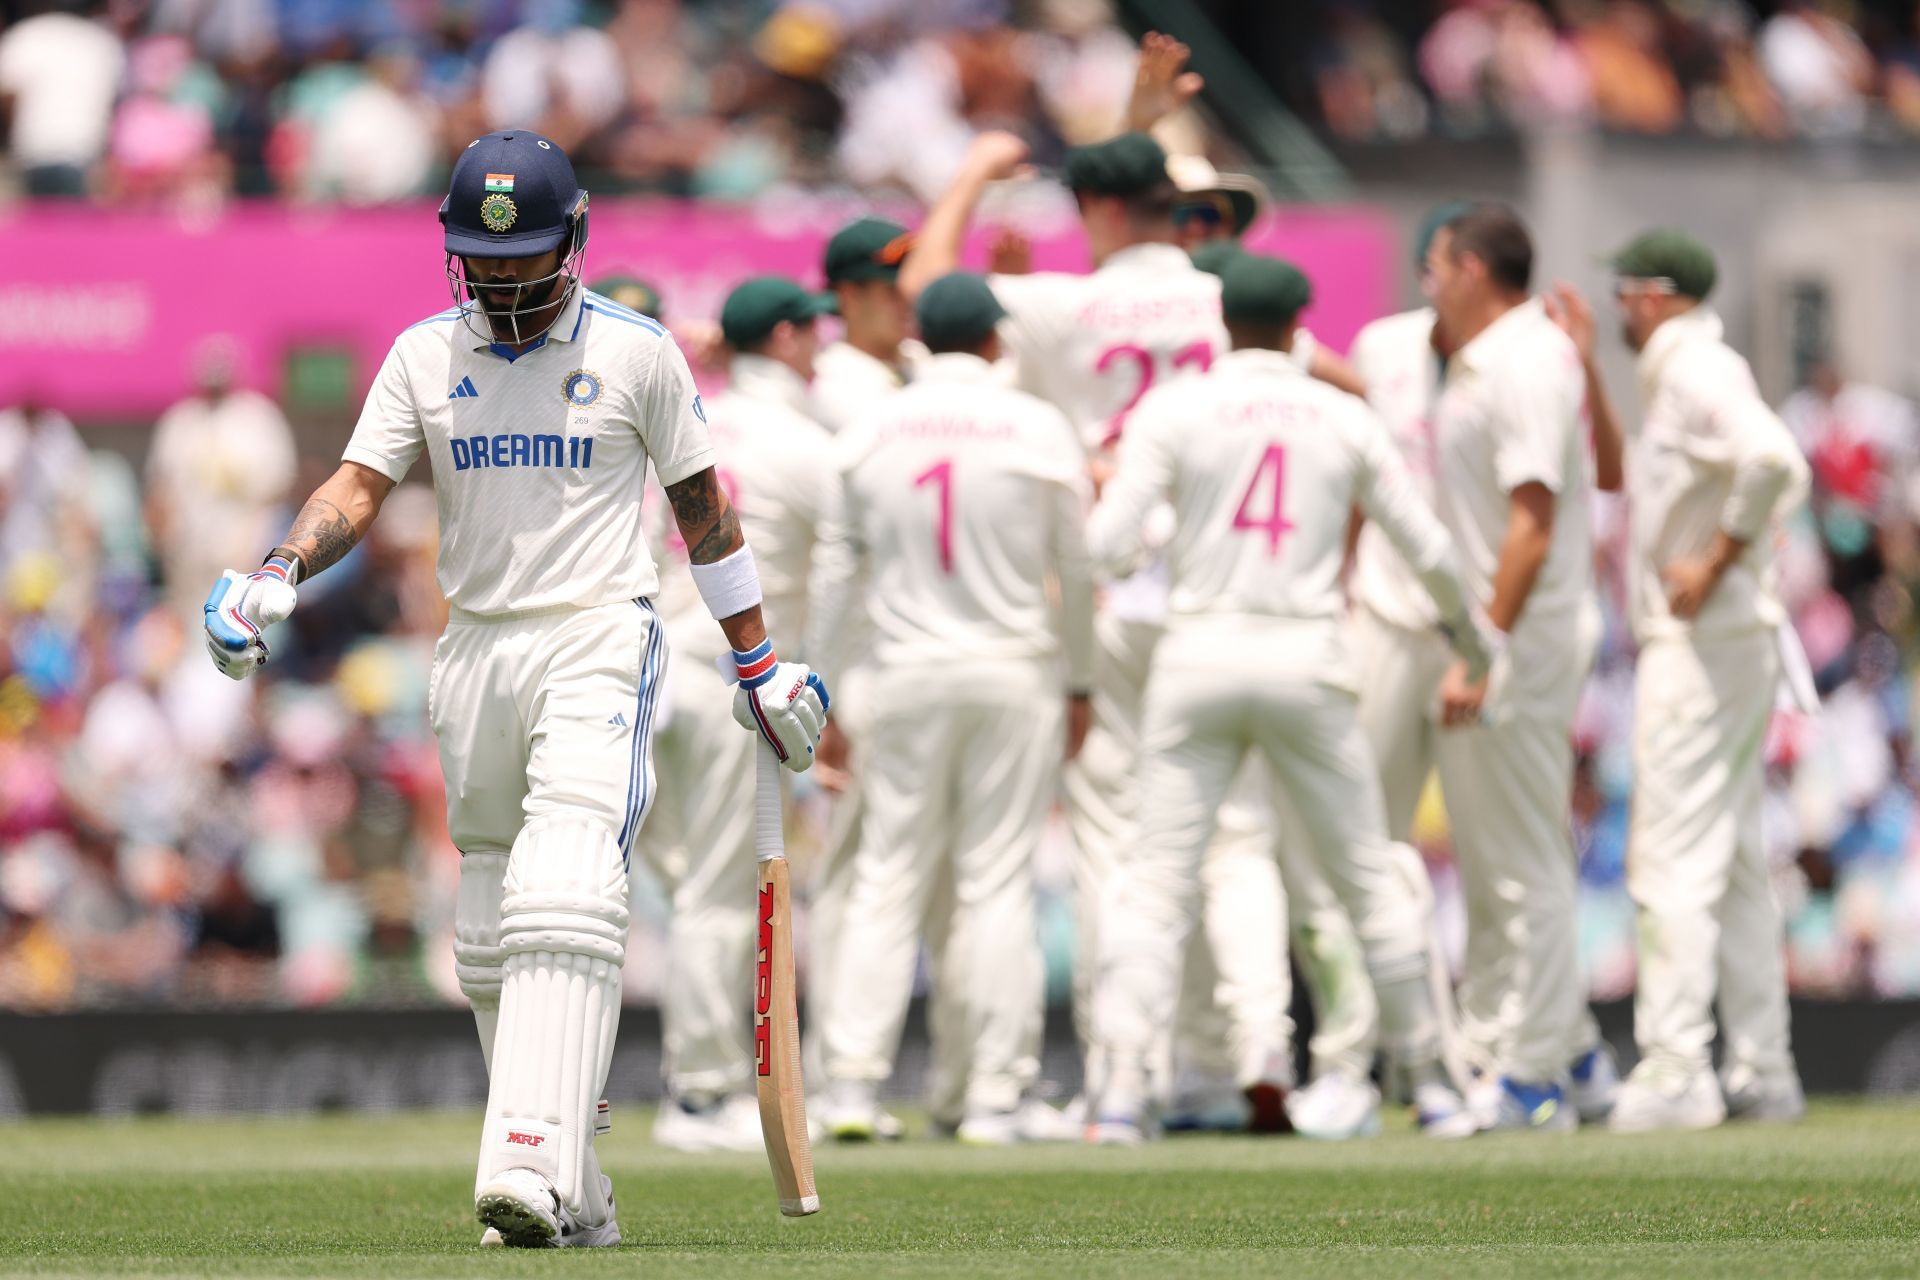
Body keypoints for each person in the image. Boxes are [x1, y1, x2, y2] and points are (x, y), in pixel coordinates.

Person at [199, 131, 829, 1247]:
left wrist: (758, 660)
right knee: (488, 921)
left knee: (568, 879)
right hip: (474, 644)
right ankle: (579, 1197)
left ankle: (528, 1158)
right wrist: (276, 572)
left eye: (524, 261)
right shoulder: (423, 354)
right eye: (482, 264)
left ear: (574, 241)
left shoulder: (639, 352)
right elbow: (359, 481)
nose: (502, 284)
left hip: (598, 631)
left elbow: (705, 515)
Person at [1083, 255, 1495, 1144]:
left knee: (1157, 882)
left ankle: (1120, 1092)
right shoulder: (1341, 416)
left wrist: (1148, 538)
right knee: (1366, 880)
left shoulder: (1176, 408)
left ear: (1224, 324)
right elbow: (1424, 544)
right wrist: (1472, 640)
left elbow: (1108, 547)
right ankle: (1431, 1086)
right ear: (1301, 325)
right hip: (1307, 657)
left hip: (1197, 656)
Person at [900, 130, 1232, 1110]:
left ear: (1093, 211)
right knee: (1222, 841)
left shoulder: (1071, 302)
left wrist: (966, 176)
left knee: (1110, 843)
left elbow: (930, 293)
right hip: (1213, 589)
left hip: (1111, 586)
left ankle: (1122, 1071)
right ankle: (1215, 1062)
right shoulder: (1229, 300)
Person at [807, 272, 1094, 1145]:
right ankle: (994, 1097)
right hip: (1011, 673)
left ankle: (851, 1089)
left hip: (901, 675)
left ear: (919, 338)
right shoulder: (1038, 426)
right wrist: (1081, 682)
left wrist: (820, 691)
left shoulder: (869, 429)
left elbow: (832, 574)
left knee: (887, 881)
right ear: (999, 343)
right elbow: (1077, 571)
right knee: (997, 882)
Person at [1558, 232, 1808, 1131]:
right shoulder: (1678, 370)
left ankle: (1674, 1066)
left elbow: (1777, 459)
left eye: (1625, 294)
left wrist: (1716, 556)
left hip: (1699, 642)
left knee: (1668, 855)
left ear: (1655, 296)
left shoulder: (1699, 369)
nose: (1621, 308)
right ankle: (1763, 1066)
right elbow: (1633, 477)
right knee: (1733, 858)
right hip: (1720, 641)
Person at [1422, 204, 1608, 1132]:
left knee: (1526, 852)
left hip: (1520, 643)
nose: (1425, 285)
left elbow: (1532, 522)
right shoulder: (1491, 356)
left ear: (1470, 269)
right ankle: (1531, 1049)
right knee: (1493, 855)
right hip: (1498, 636)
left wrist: (1481, 647)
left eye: (1433, 267)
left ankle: (1538, 1074)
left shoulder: (1526, 359)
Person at [640, 276, 836, 1153]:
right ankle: (700, 1092)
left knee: (691, 894)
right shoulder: (808, 445)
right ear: (787, 340)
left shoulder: (682, 416)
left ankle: (698, 1083)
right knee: (716, 896)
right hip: (734, 677)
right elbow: (835, 582)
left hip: (650, 668)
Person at [805, 215, 931, 1143]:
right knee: (870, 874)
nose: (907, 298)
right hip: (872, 658)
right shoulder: (843, 388)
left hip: (907, 656)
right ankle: (844, 1075)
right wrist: (828, 685)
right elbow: (840, 560)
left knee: (880, 875)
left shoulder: (905, 378)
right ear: (848, 294)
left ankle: (844, 1073)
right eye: (892, 283)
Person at [146, 337, 298, 623]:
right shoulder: (181, 421)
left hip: (244, 546)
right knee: (193, 619)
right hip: (189, 549)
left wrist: (259, 539)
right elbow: (161, 489)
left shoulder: (258, 417)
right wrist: (164, 542)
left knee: (242, 621)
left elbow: (279, 484)